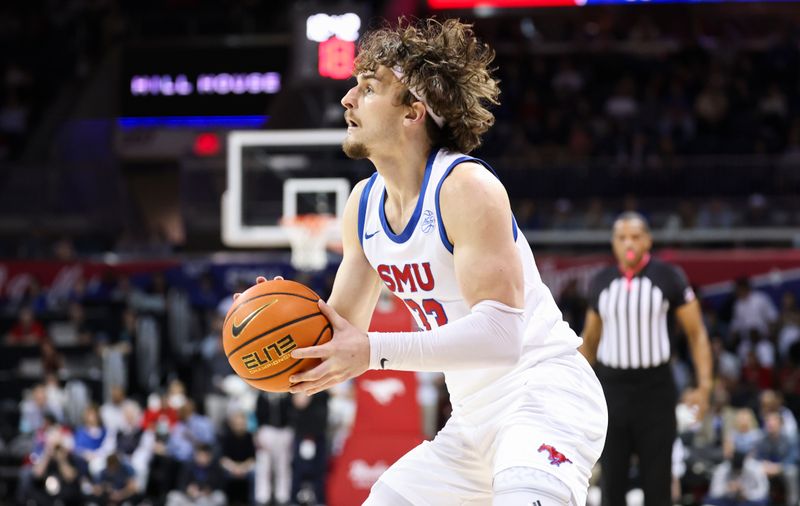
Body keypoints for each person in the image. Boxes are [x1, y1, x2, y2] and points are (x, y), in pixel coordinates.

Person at [243, 18, 608, 505]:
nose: (348, 100)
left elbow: (501, 337)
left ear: (414, 111)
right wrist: (273, 321)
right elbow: (338, 344)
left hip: (543, 395)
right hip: (471, 421)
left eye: (368, 89)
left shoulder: (465, 188)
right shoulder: (363, 206)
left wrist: (372, 350)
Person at [579, 211, 713, 506]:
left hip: (656, 389)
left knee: (658, 482)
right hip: (612, 388)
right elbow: (589, 343)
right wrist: (573, 392)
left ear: (648, 241)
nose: (629, 243)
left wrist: (704, 387)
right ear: (613, 243)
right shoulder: (601, 281)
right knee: (612, 481)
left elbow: (697, 334)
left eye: (636, 236)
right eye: (622, 237)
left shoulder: (669, 277)